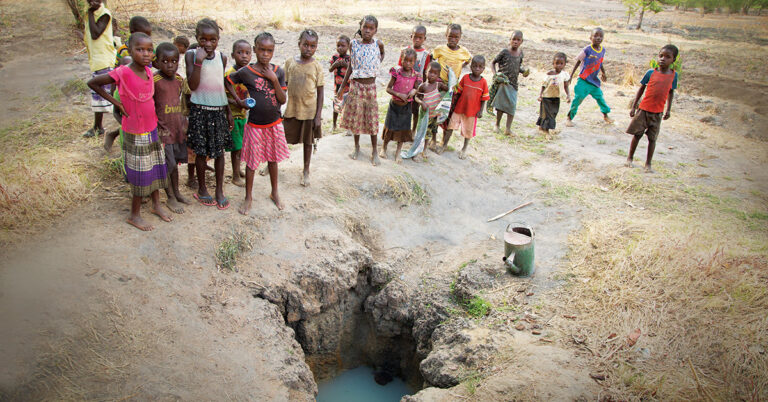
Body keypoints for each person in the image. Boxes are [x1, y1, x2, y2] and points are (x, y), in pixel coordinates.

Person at [87, 33, 171, 231]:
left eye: (149, 50)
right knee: (141, 173)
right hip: (135, 131)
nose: (145, 54)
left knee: (156, 167)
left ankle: (156, 205)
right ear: (130, 50)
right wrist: (116, 103)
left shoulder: (150, 71)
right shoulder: (123, 72)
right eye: (140, 50)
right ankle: (134, 215)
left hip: (151, 128)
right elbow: (93, 83)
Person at [226, 32, 288, 213]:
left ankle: (274, 192)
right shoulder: (246, 72)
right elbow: (228, 81)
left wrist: (274, 80)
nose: (265, 54)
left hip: (274, 124)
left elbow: (282, 99)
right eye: (261, 50)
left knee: (273, 160)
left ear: (274, 51)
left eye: (269, 50)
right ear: (255, 50)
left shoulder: (278, 71)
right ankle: (248, 197)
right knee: (252, 163)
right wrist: (238, 101)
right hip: (254, 125)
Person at [185, 18, 234, 210]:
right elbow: (193, 85)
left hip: (218, 112)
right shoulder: (191, 55)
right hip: (200, 112)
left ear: (218, 39)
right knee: (201, 152)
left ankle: (219, 190)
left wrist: (228, 111)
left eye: (212, 40)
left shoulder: (222, 57)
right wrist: (198, 61)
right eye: (202, 39)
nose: (207, 44)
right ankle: (203, 189)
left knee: (220, 153)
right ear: (196, 38)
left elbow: (221, 86)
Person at [337, 15, 385, 166]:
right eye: (365, 27)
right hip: (356, 86)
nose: (367, 31)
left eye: (371, 28)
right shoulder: (354, 44)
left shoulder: (378, 44)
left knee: (371, 119)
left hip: (371, 88)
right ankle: (356, 147)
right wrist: (341, 87)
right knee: (357, 119)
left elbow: (382, 54)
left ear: (376, 30)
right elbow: (351, 65)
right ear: (360, 27)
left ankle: (374, 151)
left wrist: (376, 63)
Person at [625, 45, 678, 173]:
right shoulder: (650, 73)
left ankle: (648, 163)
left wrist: (668, 110)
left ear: (673, 60)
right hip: (643, 110)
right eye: (661, 56)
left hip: (657, 113)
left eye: (667, 57)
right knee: (637, 135)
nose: (662, 59)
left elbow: (671, 92)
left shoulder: (673, 76)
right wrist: (634, 106)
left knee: (652, 139)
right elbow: (641, 89)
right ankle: (629, 158)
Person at [103, 15, 153, 149]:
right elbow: (117, 72)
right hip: (126, 90)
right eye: (143, 34)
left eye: (148, 35)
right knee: (128, 119)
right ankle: (116, 135)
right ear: (132, 32)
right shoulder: (125, 51)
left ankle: (116, 134)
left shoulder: (146, 48)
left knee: (138, 119)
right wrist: (115, 92)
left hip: (142, 88)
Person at [153, 42, 190, 214]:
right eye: (165, 61)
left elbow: (182, 103)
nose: (170, 65)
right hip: (163, 131)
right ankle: (170, 198)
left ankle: (177, 192)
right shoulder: (154, 81)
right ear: (157, 62)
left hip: (177, 129)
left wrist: (185, 123)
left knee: (175, 164)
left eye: (174, 61)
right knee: (169, 164)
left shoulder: (179, 80)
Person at [284, 30, 324, 186]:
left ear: (316, 47)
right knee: (281, 138)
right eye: (305, 45)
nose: (308, 48)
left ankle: (306, 170)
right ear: (299, 44)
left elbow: (320, 93)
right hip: (291, 108)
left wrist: (318, 116)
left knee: (308, 142)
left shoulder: (317, 67)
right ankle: (272, 163)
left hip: (309, 111)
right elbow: (283, 85)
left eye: (312, 46)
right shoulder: (289, 63)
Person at [439, 55, 489, 159]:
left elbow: (484, 99)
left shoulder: (483, 82)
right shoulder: (466, 78)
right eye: (475, 66)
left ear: (484, 68)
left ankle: (464, 149)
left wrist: (480, 111)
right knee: (450, 126)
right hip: (459, 108)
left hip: (472, 112)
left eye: (480, 67)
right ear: (471, 66)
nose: (477, 69)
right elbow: (458, 91)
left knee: (468, 131)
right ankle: (444, 145)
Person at [82, 0, 116, 138]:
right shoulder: (93, 13)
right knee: (99, 93)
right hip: (97, 59)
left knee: (100, 92)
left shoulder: (104, 14)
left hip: (103, 58)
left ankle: (98, 127)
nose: (93, 1)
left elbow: (96, 33)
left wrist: (90, 13)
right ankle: (98, 126)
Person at [381, 48, 421, 164]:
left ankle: (398, 152)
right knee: (389, 127)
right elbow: (388, 88)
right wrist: (398, 94)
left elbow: (417, 88)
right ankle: (384, 147)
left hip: (406, 107)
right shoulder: (396, 73)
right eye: (405, 61)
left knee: (403, 131)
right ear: (401, 60)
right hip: (394, 105)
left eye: (411, 61)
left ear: (415, 62)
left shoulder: (416, 75)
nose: (408, 63)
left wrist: (414, 91)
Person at [567, 27, 613, 126]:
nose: (598, 38)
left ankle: (606, 115)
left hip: (593, 81)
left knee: (600, 98)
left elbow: (600, 62)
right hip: (583, 80)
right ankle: (569, 118)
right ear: (590, 37)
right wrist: (571, 76)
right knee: (578, 99)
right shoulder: (587, 50)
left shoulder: (602, 50)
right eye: (595, 35)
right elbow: (578, 61)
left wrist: (603, 73)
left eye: (601, 36)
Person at [404, 61, 448, 161]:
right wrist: (422, 103)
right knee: (421, 133)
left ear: (438, 75)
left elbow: (449, 90)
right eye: (430, 72)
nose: (432, 75)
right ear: (425, 72)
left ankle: (424, 150)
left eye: (435, 73)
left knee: (428, 134)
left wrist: (450, 78)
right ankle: (415, 152)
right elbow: (416, 97)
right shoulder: (423, 86)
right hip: (424, 115)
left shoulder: (439, 85)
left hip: (433, 115)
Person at [490, 31, 528, 136]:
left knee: (512, 106)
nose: (515, 42)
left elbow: (517, 66)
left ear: (521, 41)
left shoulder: (520, 53)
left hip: (513, 84)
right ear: (510, 40)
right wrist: (495, 74)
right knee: (501, 106)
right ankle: (497, 124)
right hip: (503, 82)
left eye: (518, 40)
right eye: (513, 39)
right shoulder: (504, 52)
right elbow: (493, 62)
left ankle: (508, 129)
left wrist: (523, 71)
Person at [225, 39, 252, 187]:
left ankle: (238, 170)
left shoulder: (247, 72)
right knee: (235, 147)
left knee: (240, 146)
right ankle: (235, 175)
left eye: (247, 53)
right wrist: (238, 103)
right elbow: (224, 97)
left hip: (242, 115)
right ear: (232, 55)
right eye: (240, 52)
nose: (244, 56)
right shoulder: (230, 74)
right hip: (233, 116)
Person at [398, 25, 431, 132]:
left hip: (417, 86)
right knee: (402, 107)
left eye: (420, 38)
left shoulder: (426, 55)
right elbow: (399, 68)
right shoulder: (404, 51)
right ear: (411, 36)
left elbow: (426, 72)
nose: (417, 40)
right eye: (415, 37)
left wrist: (424, 88)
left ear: (424, 39)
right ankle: (402, 129)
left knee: (415, 109)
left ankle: (413, 130)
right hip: (403, 85)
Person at [536, 52, 571, 135]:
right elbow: (543, 85)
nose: (559, 65)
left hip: (556, 97)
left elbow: (566, 86)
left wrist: (568, 95)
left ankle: (542, 127)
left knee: (554, 113)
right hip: (547, 97)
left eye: (561, 63)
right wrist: (540, 95)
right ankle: (546, 131)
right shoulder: (549, 74)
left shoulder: (564, 75)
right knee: (546, 113)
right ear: (553, 64)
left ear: (565, 64)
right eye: (557, 63)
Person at [329, 35, 351, 132]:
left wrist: (345, 65)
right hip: (337, 87)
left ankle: (347, 127)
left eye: (343, 46)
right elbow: (330, 69)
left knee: (347, 107)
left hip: (347, 87)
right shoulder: (334, 57)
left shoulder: (350, 58)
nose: (340, 48)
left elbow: (352, 70)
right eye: (338, 45)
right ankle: (334, 124)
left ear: (348, 47)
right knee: (336, 106)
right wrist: (335, 64)